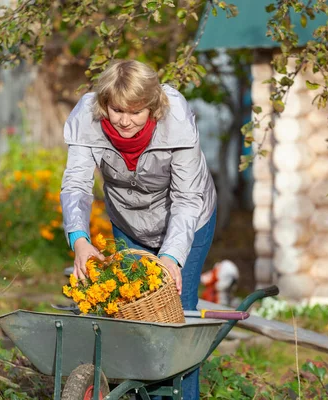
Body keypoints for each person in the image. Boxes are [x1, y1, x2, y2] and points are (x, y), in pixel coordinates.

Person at [60, 59, 217, 400]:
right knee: (129, 310)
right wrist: (79, 240)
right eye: (117, 110)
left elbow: (188, 199)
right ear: (104, 104)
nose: (125, 120)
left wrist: (172, 257)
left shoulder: (176, 121)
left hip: (187, 220)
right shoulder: (88, 118)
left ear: (153, 107)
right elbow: (76, 185)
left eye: (136, 111)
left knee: (175, 320)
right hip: (129, 222)